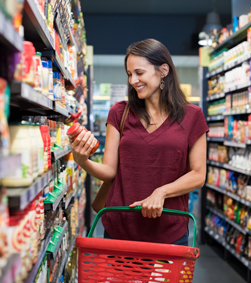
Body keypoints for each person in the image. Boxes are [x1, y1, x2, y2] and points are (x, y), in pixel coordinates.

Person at [70, 38, 209, 246]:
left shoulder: (192, 116)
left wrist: (161, 192)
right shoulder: (120, 112)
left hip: (169, 230)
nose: (133, 80)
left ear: (163, 71)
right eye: (129, 74)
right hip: (121, 228)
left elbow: (198, 175)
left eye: (139, 73)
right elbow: (110, 171)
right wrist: (83, 161)